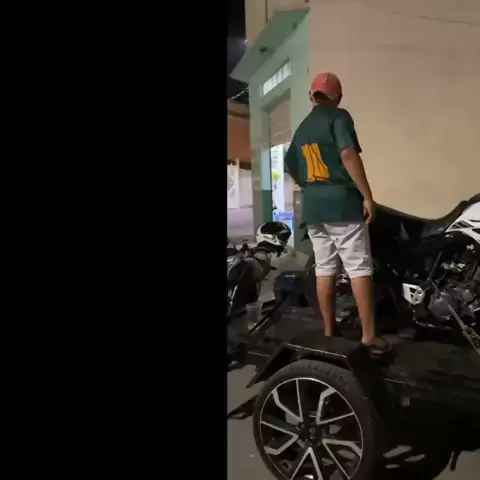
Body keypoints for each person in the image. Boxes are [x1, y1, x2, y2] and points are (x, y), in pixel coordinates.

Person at [284, 72, 390, 355]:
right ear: (338, 97)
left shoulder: (303, 127)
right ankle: (368, 336)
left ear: (311, 96)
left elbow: (290, 165)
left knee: (324, 268)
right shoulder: (339, 116)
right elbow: (347, 154)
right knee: (359, 268)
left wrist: (312, 187)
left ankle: (329, 331)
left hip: (313, 207)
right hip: (342, 204)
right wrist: (367, 196)